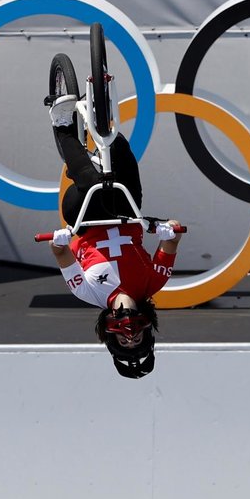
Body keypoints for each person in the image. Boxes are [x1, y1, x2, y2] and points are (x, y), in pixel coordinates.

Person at [45, 94, 182, 379]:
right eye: (136, 339)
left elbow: (60, 253)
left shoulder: (86, 291)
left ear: (110, 333)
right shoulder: (154, 281)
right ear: (148, 330)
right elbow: (172, 239)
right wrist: (166, 230)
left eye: (124, 341)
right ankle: (99, 117)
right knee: (121, 152)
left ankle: (61, 124)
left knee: (90, 180)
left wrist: (59, 241)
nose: (130, 335)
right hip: (125, 209)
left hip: (84, 214)